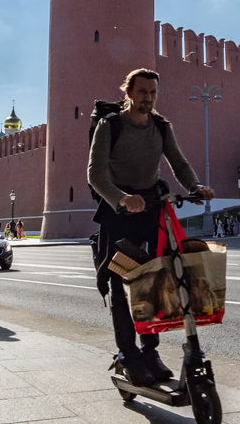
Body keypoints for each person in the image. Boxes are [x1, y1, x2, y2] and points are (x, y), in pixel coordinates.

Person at [88, 68, 214, 387]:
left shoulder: (160, 126)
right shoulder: (110, 125)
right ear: (128, 92)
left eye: (153, 92)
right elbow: (95, 173)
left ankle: (150, 352)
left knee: (154, 281)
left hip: (151, 209)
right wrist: (121, 198)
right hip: (118, 214)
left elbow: (178, 162)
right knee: (119, 284)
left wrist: (195, 186)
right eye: (142, 91)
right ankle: (128, 356)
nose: (148, 98)